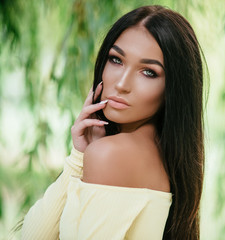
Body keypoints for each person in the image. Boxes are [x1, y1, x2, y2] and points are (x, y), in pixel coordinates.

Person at [21, 5, 205, 240]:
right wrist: (79, 155)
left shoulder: (111, 155)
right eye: (116, 60)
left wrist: (84, 157)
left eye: (148, 72)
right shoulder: (162, 155)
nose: (122, 83)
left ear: (173, 90)